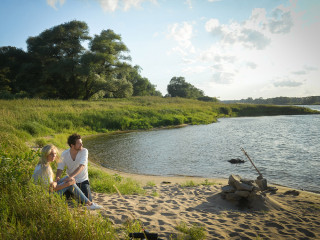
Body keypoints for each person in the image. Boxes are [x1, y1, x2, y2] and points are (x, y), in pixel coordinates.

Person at [32, 144, 102, 210]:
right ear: (46, 154)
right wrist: (67, 184)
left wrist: (56, 182)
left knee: (67, 178)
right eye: (51, 154)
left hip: (43, 192)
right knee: (70, 183)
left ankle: (87, 202)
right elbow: (51, 189)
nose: (54, 156)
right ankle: (90, 204)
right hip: (47, 197)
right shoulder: (45, 168)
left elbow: (49, 185)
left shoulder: (41, 164)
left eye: (55, 153)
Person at [56, 133, 92, 202]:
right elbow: (60, 167)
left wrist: (70, 176)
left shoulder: (84, 151)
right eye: (79, 143)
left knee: (87, 200)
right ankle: (73, 194)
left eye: (81, 143)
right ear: (72, 145)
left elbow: (81, 166)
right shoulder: (64, 154)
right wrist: (57, 177)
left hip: (82, 180)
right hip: (70, 181)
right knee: (62, 198)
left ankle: (75, 194)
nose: (82, 145)